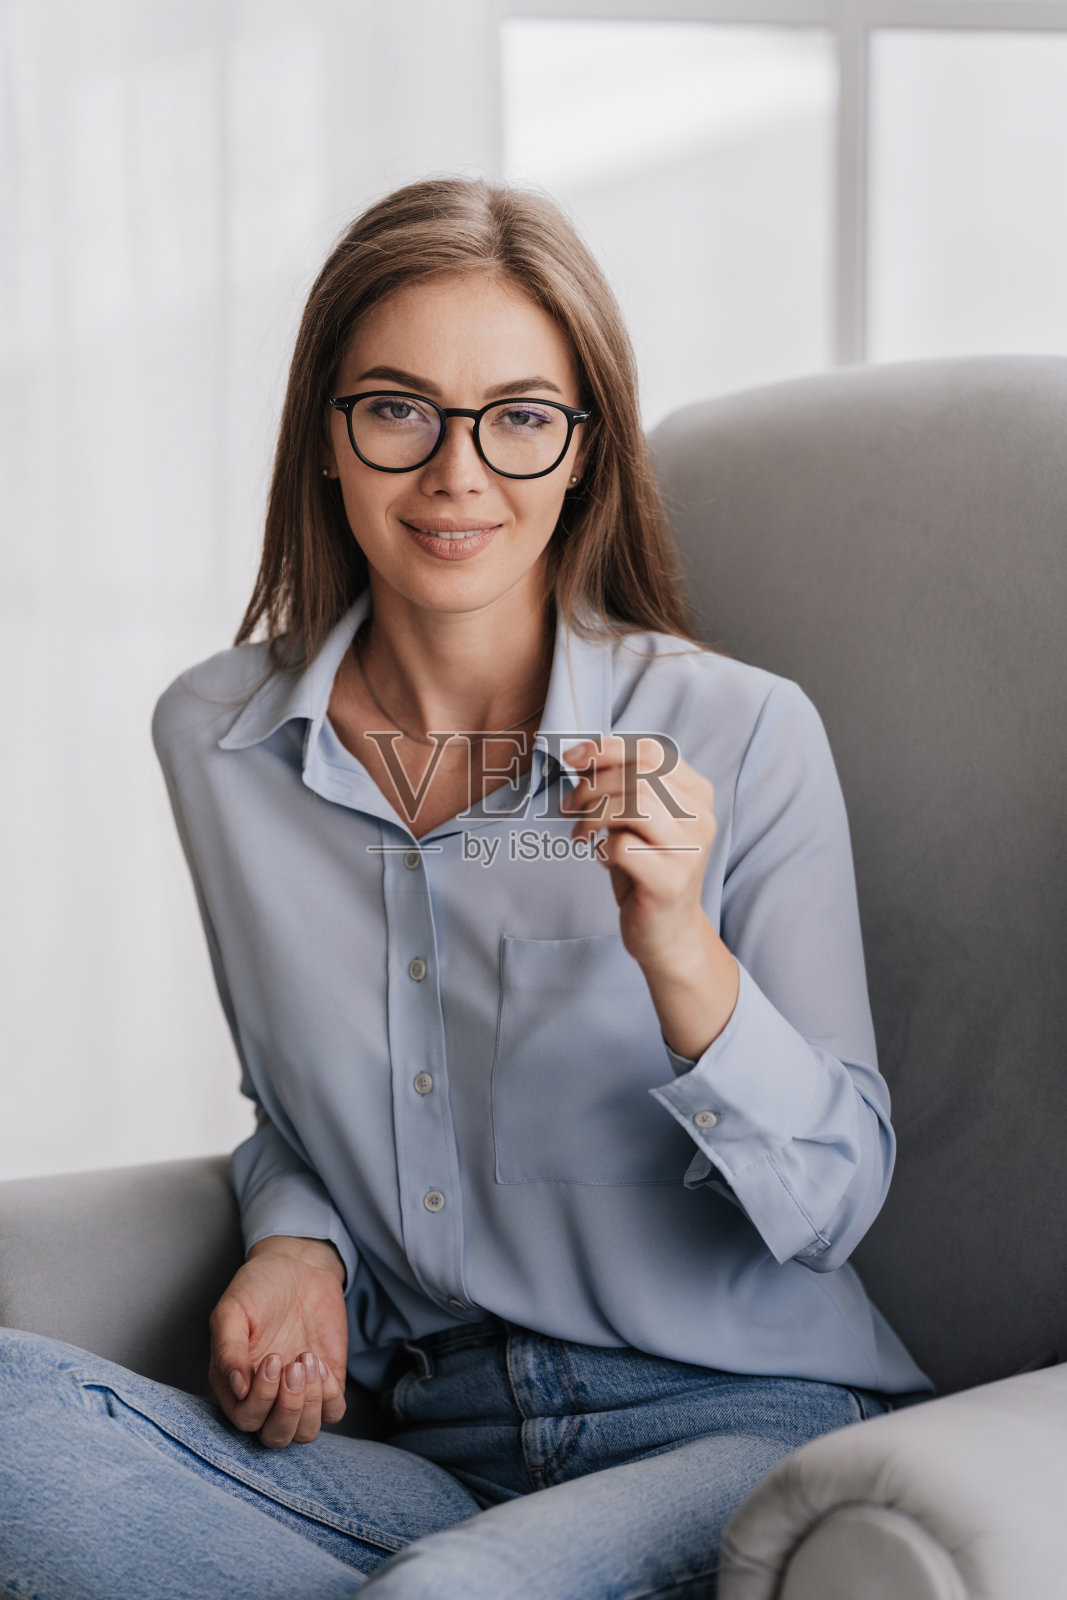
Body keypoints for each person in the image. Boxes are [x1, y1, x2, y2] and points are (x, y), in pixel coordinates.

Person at [0, 176, 932, 1599]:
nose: (457, 472)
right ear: (326, 436)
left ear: (582, 452)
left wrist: (680, 949)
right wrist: (298, 1241)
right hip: (434, 1458)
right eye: (398, 409)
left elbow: (832, 1206)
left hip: (741, 1433)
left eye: (520, 416)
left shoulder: (742, 731)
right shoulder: (218, 741)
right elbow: (307, 1103)